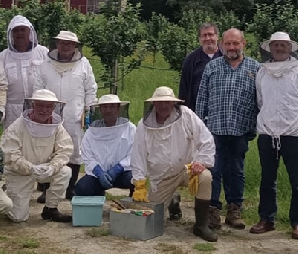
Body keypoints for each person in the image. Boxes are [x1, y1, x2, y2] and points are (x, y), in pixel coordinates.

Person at [250, 32, 298, 240]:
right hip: (267, 133)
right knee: (267, 179)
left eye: (283, 45)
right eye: (275, 45)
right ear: (270, 48)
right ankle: (266, 219)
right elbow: (261, 102)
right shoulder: (262, 73)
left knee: (297, 181)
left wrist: (296, 124)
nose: (279, 48)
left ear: (290, 48)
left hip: (294, 135)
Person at [130, 86, 217, 242]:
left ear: (173, 103)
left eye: (168, 102)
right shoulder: (143, 125)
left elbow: (206, 139)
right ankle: (172, 199)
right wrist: (139, 182)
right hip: (162, 177)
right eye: (160, 102)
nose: (164, 106)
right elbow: (138, 154)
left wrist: (201, 161)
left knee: (205, 177)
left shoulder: (187, 115)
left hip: (186, 170)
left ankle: (201, 226)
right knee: (151, 220)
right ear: (153, 104)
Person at [195, 28, 260, 230]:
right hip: (215, 129)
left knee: (237, 171)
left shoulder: (255, 68)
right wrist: (200, 128)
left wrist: (254, 126)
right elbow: (202, 99)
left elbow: (260, 101)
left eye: (236, 43)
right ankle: (213, 210)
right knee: (214, 171)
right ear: (222, 44)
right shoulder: (212, 67)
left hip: (241, 129)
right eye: (228, 44)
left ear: (244, 44)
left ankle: (234, 210)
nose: (232, 47)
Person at [34, 30, 98, 201]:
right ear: (56, 44)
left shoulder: (84, 64)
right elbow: (37, 88)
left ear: (75, 46)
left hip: (75, 116)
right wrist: (40, 109)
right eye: (62, 42)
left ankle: (70, 188)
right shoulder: (45, 64)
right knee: (48, 151)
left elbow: (90, 89)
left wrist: (89, 110)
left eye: (69, 43)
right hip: (49, 115)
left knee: (74, 151)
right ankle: (47, 190)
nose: (65, 46)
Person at [0, 89, 73, 223]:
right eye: (40, 105)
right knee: (18, 217)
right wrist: (30, 168)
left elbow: (65, 150)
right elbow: (10, 154)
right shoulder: (17, 127)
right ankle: (5, 195)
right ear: (33, 105)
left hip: (45, 169)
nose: (44, 110)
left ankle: (50, 209)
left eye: (48, 106)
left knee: (65, 172)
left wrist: (52, 167)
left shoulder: (57, 126)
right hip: (19, 172)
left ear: (54, 108)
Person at [74, 94, 135, 196]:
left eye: (112, 106)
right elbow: (87, 155)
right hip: (98, 175)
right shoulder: (91, 131)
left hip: (123, 173)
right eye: (105, 107)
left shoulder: (130, 129)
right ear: (100, 109)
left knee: (136, 179)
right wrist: (98, 172)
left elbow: (134, 153)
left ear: (118, 109)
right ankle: (98, 197)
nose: (108, 110)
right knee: (82, 188)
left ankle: (133, 204)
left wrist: (117, 169)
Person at [0, 15, 48, 129]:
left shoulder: (43, 53)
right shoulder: (3, 56)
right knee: (13, 142)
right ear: (11, 34)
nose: (20, 33)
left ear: (30, 32)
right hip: (12, 110)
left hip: (39, 108)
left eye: (23, 30)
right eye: (16, 30)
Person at [179, 22, 223, 112]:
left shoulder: (226, 57)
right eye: (204, 35)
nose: (207, 38)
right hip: (197, 112)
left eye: (210, 34)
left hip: (222, 112)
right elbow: (184, 88)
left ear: (217, 36)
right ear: (199, 39)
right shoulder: (191, 60)